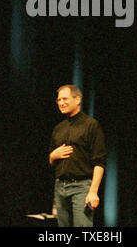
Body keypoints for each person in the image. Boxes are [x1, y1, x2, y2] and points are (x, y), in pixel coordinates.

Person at [49, 84, 106, 227]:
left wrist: (93, 192)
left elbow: (99, 162)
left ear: (78, 99)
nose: (61, 103)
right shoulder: (58, 128)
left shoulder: (91, 125)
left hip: (81, 187)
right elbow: (51, 160)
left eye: (65, 98)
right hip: (60, 187)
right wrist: (53, 156)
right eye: (59, 100)